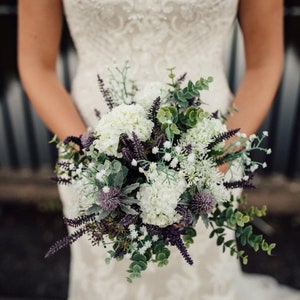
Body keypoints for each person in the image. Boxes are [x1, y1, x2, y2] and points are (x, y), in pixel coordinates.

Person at [18, 1, 299, 299]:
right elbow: (36, 64)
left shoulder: (213, 164)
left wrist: (216, 161)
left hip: (210, 154)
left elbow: (264, 63)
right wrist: (92, 158)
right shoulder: (92, 160)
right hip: (91, 152)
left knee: (202, 268)